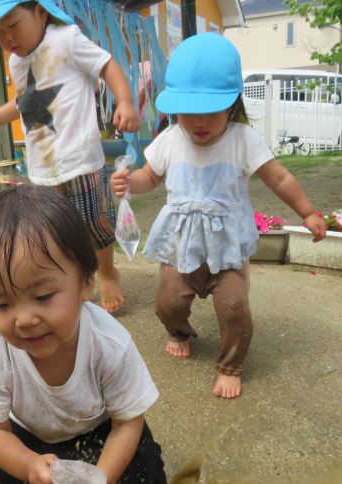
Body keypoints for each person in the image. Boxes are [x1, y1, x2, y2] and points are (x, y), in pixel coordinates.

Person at [0, 185, 175, 484]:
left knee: (144, 467)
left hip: (103, 428)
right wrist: (27, 464)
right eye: (1, 304)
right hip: (31, 439)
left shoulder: (109, 344)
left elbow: (129, 421)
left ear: (85, 283)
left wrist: (100, 479)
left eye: (42, 296)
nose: (23, 319)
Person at [111, 33, 327, 400]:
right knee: (167, 304)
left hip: (226, 249)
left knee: (234, 309)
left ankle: (230, 365)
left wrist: (307, 211)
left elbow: (278, 176)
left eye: (211, 111)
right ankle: (179, 332)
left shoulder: (242, 139)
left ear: (233, 105)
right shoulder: (169, 139)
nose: (198, 122)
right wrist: (129, 182)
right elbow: (151, 176)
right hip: (181, 245)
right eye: (188, 111)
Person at [0, 0, 141, 313]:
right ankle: (74, 278)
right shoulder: (17, 64)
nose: (7, 38)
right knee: (55, 229)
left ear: (40, 12)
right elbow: (25, 101)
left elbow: (107, 65)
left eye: (13, 25)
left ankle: (107, 273)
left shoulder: (66, 39)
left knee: (94, 222)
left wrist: (124, 101)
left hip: (81, 159)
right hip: (43, 167)